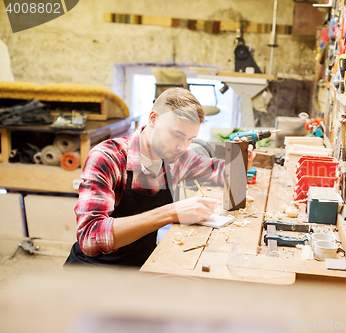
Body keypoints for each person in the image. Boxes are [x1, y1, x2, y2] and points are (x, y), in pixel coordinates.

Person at [65, 88, 254, 267]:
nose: (183, 147)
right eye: (177, 135)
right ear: (153, 119)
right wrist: (171, 212)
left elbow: (220, 171)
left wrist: (241, 161)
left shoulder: (176, 159)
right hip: (93, 272)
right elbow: (90, 239)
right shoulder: (108, 157)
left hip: (142, 267)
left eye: (190, 139)